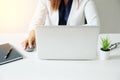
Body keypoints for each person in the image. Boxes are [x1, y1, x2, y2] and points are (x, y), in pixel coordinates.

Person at [22, 0, 100, 49]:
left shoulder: (86, 1)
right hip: (51, 44)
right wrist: (32, 33)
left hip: (75, 45)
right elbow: (37, 20)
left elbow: (95, 25)